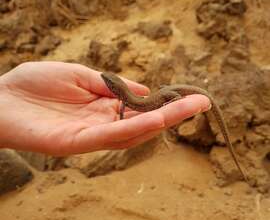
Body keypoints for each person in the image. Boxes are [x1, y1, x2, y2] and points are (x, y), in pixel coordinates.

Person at [0, 61, 210, 155]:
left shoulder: (125, 98)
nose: (105, 81)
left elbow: (121, 109)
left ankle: (174, 99)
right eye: (108, 82)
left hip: (171, 93)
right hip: (166, 93)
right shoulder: (125, 99)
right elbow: (120, 110)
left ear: (114, 88)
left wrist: (173, 100)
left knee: (172, 99)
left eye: (109, 83)